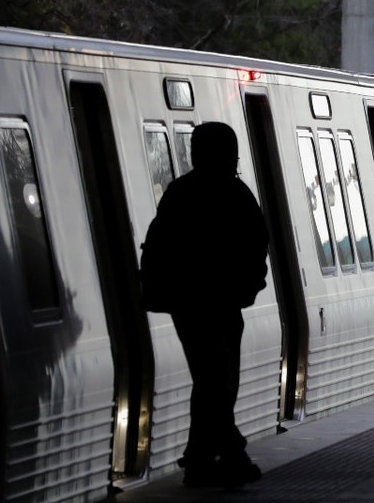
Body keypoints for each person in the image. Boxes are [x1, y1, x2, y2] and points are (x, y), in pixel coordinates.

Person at [139, 121, 269, 489]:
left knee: (211, 381)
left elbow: (159, 247)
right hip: (223, 306)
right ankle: (229, 455)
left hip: (188, 307)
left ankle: (201, 459)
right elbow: (256, 244)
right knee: (219, 381)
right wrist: (248, 286)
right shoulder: (237, 194)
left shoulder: (179, 194)